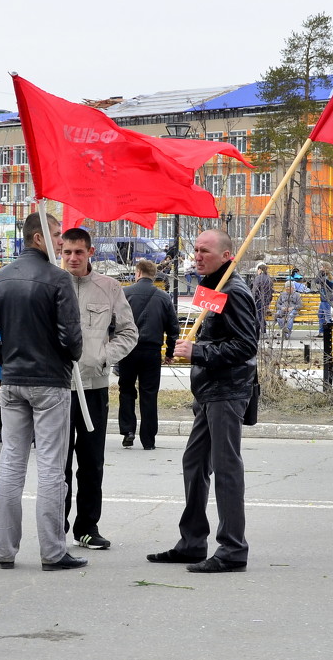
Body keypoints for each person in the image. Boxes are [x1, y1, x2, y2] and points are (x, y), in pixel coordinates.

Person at [0, 213, 86, 572]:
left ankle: (4, 551)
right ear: (39, 239)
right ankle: (53, 551)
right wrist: (65, 356)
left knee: (11, 464)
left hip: (14, 381)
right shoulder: (58, 279)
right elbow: (71, 339)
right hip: (50, 382)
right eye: (55, 235)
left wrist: (10, 357)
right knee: (52, 468)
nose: (59, 242)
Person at [152, 229, 258, 573]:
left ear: (227, 255)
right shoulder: (213, 288)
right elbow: (216, 333)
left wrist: (197, 351)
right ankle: (193, 542)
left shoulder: (234, 290)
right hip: (209, 390)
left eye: (205, 251)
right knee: (194, 463)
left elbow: (246, 347)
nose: (197, 256)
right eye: (195, 250)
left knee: (226, 468)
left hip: (228, 391)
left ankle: (233, 549)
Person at [59, 227, 137, 550]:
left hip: (93, 387)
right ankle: (54, 525)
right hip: (59, 388)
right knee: (57, 461)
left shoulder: (109, 288)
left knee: (91, 460)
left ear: (91, 253)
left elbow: (129, 332)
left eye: (79, 252)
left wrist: (104, 357)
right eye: (67, 252)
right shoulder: (53, 285)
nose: (73, 258)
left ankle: (87, 526)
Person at [120, 259, 179, 450]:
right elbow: (173, 329)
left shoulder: (125, 294)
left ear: (138, 272)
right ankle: (148, 439)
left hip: (127, 350)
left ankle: (128, 430)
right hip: (152, 351)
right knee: (149, 393)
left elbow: (113, 323)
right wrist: (169, 352)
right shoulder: (163, 297)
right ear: (153, 275)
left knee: (126, 390)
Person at [315, 261, 333, 336]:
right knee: (320, 315)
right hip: (323, 298)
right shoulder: (323, 275)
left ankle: (329, 332)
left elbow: (319, 281)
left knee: (327, 315)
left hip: (327, 298)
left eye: (322, 267)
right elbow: (317, 281)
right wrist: (320, 272)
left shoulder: (329, 277)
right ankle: (321, 331)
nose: (320, 268)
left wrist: (320, 273)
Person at [251, 263, 273, 337]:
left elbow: (255, 290)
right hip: (266, 300)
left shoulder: (258, 278)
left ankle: (259, 332)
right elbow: (271, 291)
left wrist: (253, 301)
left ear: (259, 270)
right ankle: (263, 331)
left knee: (258, 317)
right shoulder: (269, 278)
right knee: (261, 316)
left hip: (258, 300)